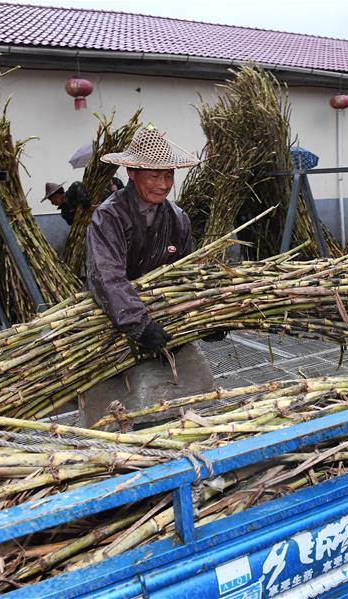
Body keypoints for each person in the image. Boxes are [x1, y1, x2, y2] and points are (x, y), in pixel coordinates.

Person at [82, 125, 220, 425]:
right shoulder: (109, 216)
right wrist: (139, 324)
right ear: (132, 172)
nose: (163, 184)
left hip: (164, 317)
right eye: (154, 176)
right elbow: (106, 277)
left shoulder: (177, 218)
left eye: (168, 175)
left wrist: (207, 317)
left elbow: (185, 276)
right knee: (116, 406)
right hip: (114, 318)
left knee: (193, 390)